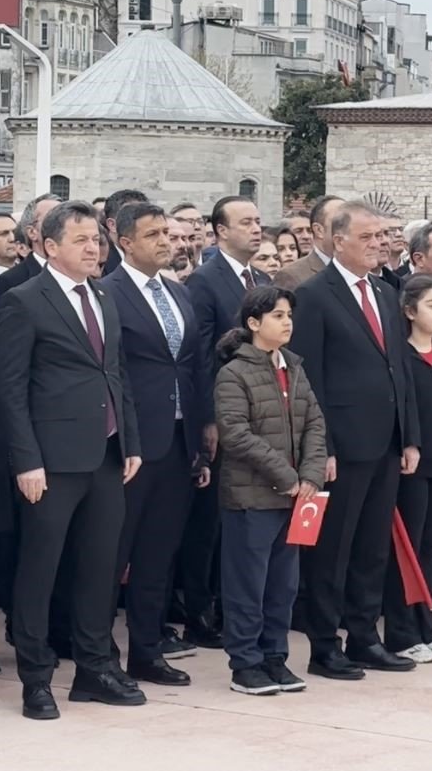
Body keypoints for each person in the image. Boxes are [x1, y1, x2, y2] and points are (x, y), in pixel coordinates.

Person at [0, 200, 143, 720]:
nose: (92, 248)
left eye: (96, 240)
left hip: (105, 455)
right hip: (51, 462)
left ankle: (94, 669)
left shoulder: (103, 295)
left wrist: (130, 441)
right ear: (49, 245)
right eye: (80, 240)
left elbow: (115, 373)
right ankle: (36, 678)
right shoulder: (23, 300)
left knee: (100, 569)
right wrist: (26, 461)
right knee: (41, 571)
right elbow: (10, 389)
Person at [287, 202, 420, 679]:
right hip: (341, 448)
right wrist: (320, 448)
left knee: (372, 548)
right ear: (338, 240)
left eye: (381, 236)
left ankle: (365, 637)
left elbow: (399, 369)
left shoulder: (385, 291)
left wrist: (409, 436)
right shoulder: (314, 296)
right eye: (367, 237)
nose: (377, 244)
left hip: (386, 442)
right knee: (332, 550)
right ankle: (326, 645)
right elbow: (308, 379)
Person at [98, 203, 209, 687]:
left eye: (168, 233)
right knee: (111, 555)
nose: (167, 241)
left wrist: (201, 434)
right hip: (130, 446)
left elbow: (193, 366)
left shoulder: (179, 293)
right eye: (154, 234)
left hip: (178, 442)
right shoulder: (107, 293)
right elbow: (113, 373)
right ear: (125, 242)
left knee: (157, 556)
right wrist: (125, 439)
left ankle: (147, 651)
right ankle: (100, 656)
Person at [213, 286, 325, 695]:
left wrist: (310, 476)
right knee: (248, 584)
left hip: (294, 497)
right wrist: (287, 476)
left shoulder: (294, 367)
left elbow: (314, 423)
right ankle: (245, 664)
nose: (287, 322)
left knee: (283, 585)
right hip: (253, 497)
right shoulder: (234, 373)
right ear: (254, 323)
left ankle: (275, 657)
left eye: (289, 315)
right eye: (277, 315)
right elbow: (236, 434)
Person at [181, 195, 271, 649]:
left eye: (258, 221)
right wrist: (209, 419)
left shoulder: (262, 280)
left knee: (246, 519)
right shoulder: (205, 281)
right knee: (210, 523)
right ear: (220, 231)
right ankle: (199, 610)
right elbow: (199, 357)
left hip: (262, 419)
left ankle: (233, 605)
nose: (256, 229)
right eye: (246, 222)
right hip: (225, 417)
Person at [383, 276, 432, 665]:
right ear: (410, 311)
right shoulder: (401, 358)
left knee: (429, 548)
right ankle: (401, 633)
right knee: (406, 550)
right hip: (412, 466)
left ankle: (426, 630)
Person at [0, 195, 61, 299]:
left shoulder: (80, 275)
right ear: (32, 232)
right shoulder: (8, 283)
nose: (64, 226)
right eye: (53, 220)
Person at [274, 196, 344, 289]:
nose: (306, 236)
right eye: (299, 231)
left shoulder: (359, 270)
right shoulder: (291, 275)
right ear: (318, 230)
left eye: (309, 231)